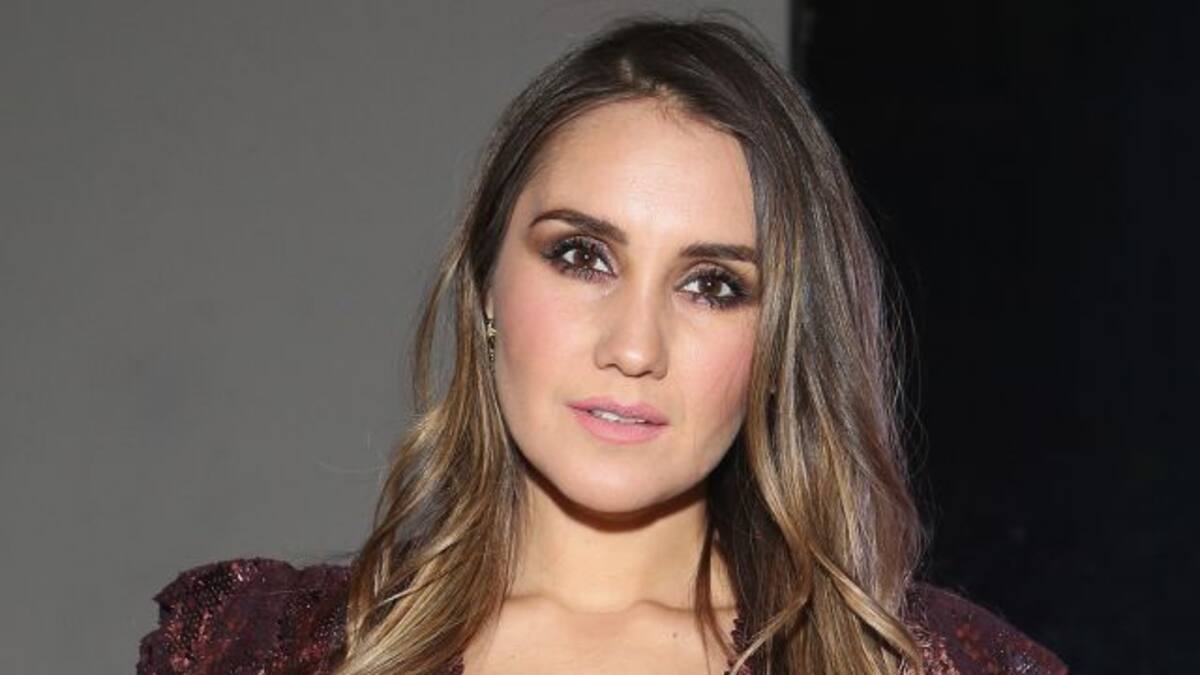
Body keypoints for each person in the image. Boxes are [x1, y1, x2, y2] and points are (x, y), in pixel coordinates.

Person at [137, 16, 1067, 675]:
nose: (634, 345)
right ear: (487, 286)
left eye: (713, 284)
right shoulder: (252, 650)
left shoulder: (937, 664)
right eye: (582, 256)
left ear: (781, 341)